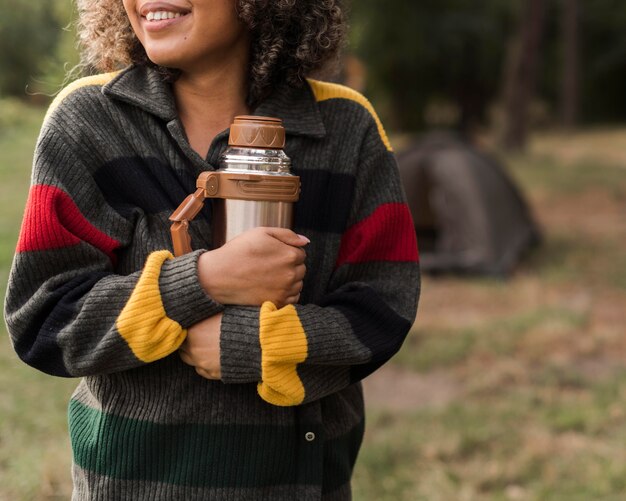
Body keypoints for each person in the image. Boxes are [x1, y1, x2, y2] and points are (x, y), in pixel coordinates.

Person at [4, 0, 420, 499]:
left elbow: (384, 310)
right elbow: (44, 321)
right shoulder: (87, 120)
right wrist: (200, 282)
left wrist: (252, 344)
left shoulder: (347, 126)